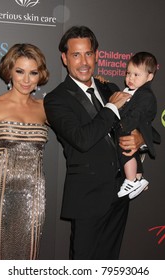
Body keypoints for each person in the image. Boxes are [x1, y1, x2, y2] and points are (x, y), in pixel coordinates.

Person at [44, 25, 144, 260]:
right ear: (64, 58)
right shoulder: (56, 99)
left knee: (109, 262)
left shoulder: (109, 87)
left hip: (120, 191)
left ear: (97, 55)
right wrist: (111, 107)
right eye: (76, 55)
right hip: (87, 196)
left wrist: (139, 137)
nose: (83, 62)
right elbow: (83, 139)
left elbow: (130, 126)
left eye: (88, 53)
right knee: (84, 264)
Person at [0, 43, 49, 260]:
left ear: (40, 75)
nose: (26, 80)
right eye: (20, 71)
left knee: (27, 257)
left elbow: (78, 134)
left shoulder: (45, 108)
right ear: (9, 72)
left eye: (33, 73)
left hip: (33, 196)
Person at [116, 52, 160, 199]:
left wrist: (123, 126)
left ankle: (130, 180)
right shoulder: (131, 91)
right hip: (133, 125)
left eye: (136, 75)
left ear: (149, 77)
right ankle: (138, 178)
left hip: (136, 127)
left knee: (124, 148)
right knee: (131, 153)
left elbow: (137, 114)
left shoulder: (145, 95)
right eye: (128, 73)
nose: (130, 78)